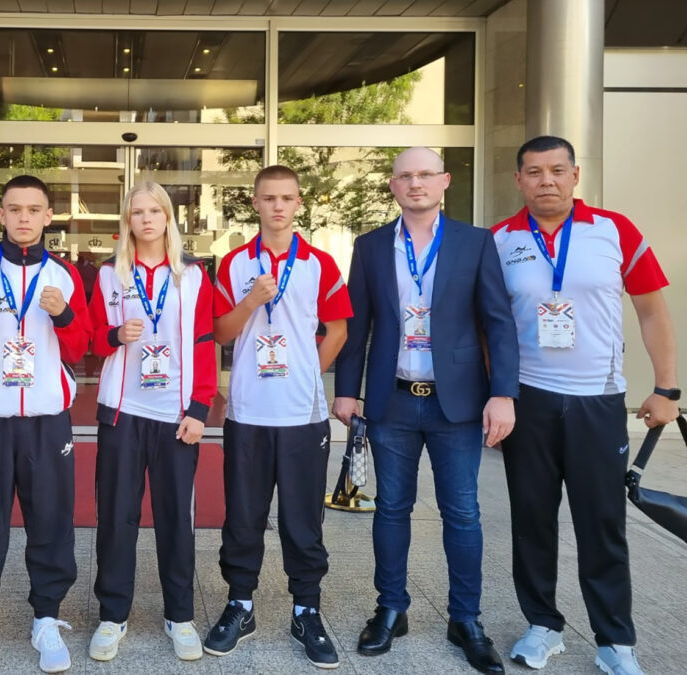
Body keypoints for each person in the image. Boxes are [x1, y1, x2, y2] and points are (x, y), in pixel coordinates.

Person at [492, 136, 679, 675]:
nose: (545, 180)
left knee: (601, 522)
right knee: (532, 520)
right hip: (529, 399)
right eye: (534, 172)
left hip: (598, 401)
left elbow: (652, 312)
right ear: (519, 180)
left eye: (556, 170)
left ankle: (615, 640)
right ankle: (542, 625)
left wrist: (666, 387)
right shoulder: (502, 240)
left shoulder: (615, 231)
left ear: (576, 175)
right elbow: (491, 325)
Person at [332, 147, 519, 674]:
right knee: (391, 509)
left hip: (456, 403)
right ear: (392, 186)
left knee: (462, 513)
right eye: (405, 176)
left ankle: (466, 619)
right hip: (392, 401)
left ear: (444, 182)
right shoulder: (369, 246)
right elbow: (357, 324)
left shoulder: (475, 242)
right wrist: (348, 390)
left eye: (425, 175)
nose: (415, 183)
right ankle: (391, 608)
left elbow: (498, 322)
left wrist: (502, 393)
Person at [0, 174, 91, 675]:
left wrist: (66, 315)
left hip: (49, 419)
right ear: (1, 215)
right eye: (14, 209)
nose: (24, 217)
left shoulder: (66, 275)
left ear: (48, 216)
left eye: (34, 209)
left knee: (50, 520)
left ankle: (46, 617)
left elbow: (83, 349)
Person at [206, 165, 352, 670]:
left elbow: (337, 330)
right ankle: (240, 605)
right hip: (247, 412)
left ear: (298, 203)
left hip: (302, 414)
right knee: (243, 515)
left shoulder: (320, 263)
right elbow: (221, 334)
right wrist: (251, 300)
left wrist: (309, 372)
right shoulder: (233, 263)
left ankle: (306, 609)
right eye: (268, 198)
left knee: (302, 517)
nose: (278, 207)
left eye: (287, 198)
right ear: (254, 202)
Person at [85, 182, 216, 663]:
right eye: (136, 212)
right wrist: (116, 334)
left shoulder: (194, 275)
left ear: (167, 217)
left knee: (175, 519)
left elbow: (205, 343)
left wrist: (200, 408)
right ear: (127, 221)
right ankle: (111, 615)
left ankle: (179, 615)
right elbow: (91, 342)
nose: (145, 219)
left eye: (153, 211)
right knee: (116, 518)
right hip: (123, 412)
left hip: (176, 416)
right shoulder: (108, 275)